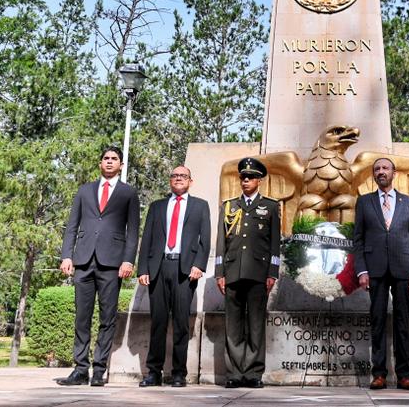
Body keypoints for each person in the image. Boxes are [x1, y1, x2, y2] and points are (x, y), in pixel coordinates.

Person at [55, 145, 140, 387]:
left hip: (112, 263)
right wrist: (66, 256)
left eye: (114, 159)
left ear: (121, 165)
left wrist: (128, 260)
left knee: (107, 318)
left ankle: (99, 370)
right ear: (100, 163)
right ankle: (80, 369)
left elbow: (133, 230)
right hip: (83, 260)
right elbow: (72, 226)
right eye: (106, 158)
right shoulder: (84, 191)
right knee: (82, 317)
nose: (110, 162)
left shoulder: (128, 193)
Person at [136, 165, 211, 388]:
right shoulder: (157, 206)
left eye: (183, 176)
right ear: (170, 180)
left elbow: (205, 239)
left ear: (190, 181)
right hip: (158, 268)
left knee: (181, 323)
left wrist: (199, 265)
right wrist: (143, 269)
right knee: (158, 322)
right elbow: (147, 238)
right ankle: (153, 372)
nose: (179, 179)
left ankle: (179, 373)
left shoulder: (200, 206)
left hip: (184, 270)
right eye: (175, 176)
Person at [353, 157, 409, 390]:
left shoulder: (408, 203)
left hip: (403, 269)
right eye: (377, 169)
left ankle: (403, 374)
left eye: (385, 168)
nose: (381, 172)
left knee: (402, 322)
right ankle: (379, 374)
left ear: (395, 173)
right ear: (374, 175)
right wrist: (361, 270)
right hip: (375, 270)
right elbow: (358, 240)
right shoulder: (364, 202)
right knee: (378, 321)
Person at [215, 157, 281, 389]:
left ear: (259, 181)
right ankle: (234, 372)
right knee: (233, 326)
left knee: (255, 325)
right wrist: (219, 273)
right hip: (232, 272)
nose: (245, 181)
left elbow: (275, 244)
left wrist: (273, 272)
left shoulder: (271, 206)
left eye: (250, 177)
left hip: (258, 273)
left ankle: (253, 373)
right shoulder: (229, 205)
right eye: (243, 177)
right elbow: (221, 243)